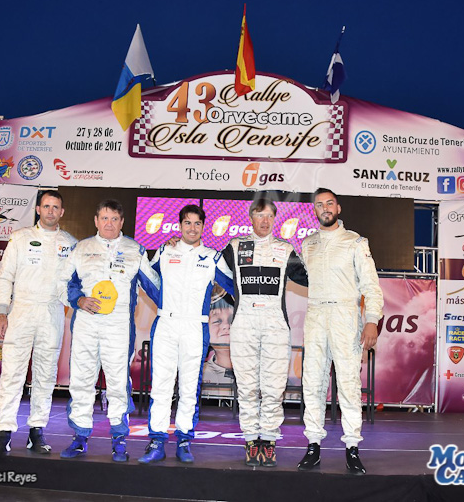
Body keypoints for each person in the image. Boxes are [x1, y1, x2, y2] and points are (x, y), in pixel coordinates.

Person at [57, 199, 160, 461]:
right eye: (104, 218)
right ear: (96, 221)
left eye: (114, 219)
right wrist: (79, 300)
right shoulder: (81, 248)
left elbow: (155, 286)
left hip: (119, 325)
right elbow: (63, 282)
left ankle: (119, 438)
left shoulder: (135, 250)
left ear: (122, 222)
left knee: (118, 382)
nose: (109, 224)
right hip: (86, 322)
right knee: (81, 379)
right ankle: (80, 436)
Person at [296, 188, 384, 475]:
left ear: (338, 208)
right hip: (316, 315)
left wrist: (372, 320)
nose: (325, 208)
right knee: (312, 382)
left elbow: (371, 286)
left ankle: (352, 448)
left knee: (348, 384)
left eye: (329, 203)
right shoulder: (307, 244)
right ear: (315, 210)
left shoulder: (355, 242)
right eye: (319, 205)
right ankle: (313, 446)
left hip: (346, 315)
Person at [137, 205, 234, 464]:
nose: (192, 228)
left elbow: (235, 285)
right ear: (179, 226)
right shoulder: (165, 251)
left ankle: (183, 440)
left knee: (190, 387)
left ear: (203, 227)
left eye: (197, 223)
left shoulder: (212, 257)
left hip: (195, 327)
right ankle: (157, 441)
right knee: (161, 386)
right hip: (166, 324)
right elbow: (147, 277)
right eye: (187, 223)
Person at [0, 190, 77, 456]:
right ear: (38, 209)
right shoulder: (20, 237)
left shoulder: (70, 243)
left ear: (62, 212)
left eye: (55, 207)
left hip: (52, 312)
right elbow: (5, 277)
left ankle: (37, 431)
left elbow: (75, 284)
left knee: (45, 375)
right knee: (12, 373)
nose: (50, 211)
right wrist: (2, 311)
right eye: (46, 206)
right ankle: (4, 432)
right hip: (21, 311)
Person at [222, 197, 308, 467]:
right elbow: (209, 267)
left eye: (270, 216)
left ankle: (268, 441)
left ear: (274, 219)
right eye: (260, 215)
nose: (265, 221)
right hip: (244, 323)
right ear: (251, 218)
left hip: (275, 325)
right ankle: (250, 440)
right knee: (247, 386)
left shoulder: (285, 249)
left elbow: (310, 277)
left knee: (273, 387)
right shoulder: (235, 247)